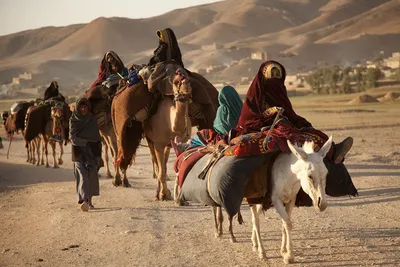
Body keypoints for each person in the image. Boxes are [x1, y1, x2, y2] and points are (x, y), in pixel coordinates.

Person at [235, 60, 353, 163]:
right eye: (272, 74)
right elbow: (249, 116)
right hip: (262, 125)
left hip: (282, 121)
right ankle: (312, 149)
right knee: (286, 132)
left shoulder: (280, 92)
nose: (275, 78)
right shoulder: (255, 94)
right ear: (265, 75)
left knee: (310, 130)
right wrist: (271, 111)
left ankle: (333, 151)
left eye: (278, 75)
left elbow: (289, 113)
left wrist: (296, 120)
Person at [172, 85, 243, 156]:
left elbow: (217, 126)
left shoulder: (222, 110)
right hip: (240, 134)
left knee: (202, 134)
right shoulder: (242, 108)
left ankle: (183, 146)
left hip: (225, 138)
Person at [70, 98, 102, 211]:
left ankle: (89, 200)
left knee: (91, 176)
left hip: (93, 152)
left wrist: (99, 154)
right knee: (83, 175)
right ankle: (85, 200)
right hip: (79, 153)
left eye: (85, 107)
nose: (83, 109)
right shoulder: (73, 120)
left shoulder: (92, 119)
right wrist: (87, 141)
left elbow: (97, 137)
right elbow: (73, 139)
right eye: (81, 107)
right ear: (77, 108)